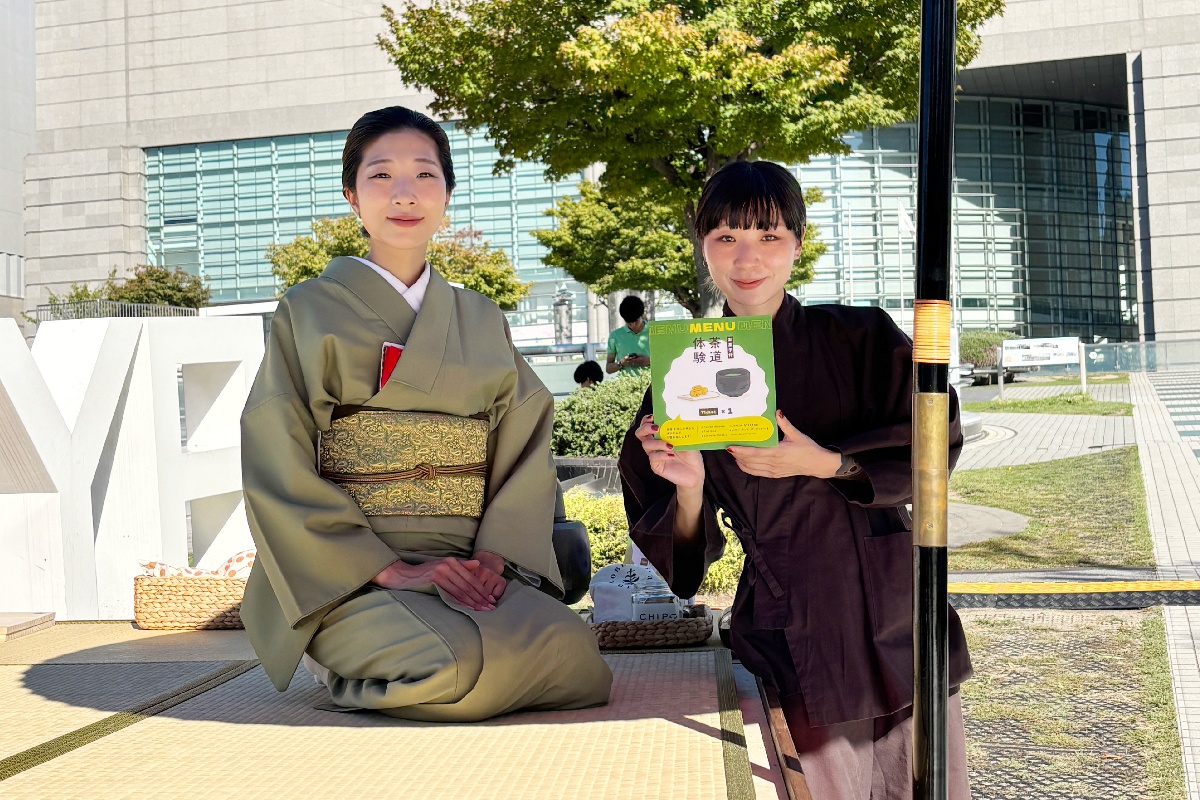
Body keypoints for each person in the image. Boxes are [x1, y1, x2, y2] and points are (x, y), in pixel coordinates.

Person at [239, 106, 612, 721]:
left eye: (426, 175)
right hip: (352, 575)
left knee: (576, 657)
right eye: (381, 176)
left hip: (468, 566)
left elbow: (523, 444)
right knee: (453, 660)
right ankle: (334, 660)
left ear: (446, 195)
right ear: (352, 197)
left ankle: (407, 654)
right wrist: (388, 571)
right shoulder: (306, 311)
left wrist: (493, 557)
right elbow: (275, 451)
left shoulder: (481, 317)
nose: (405, 194)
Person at [618, 160, 971, 799]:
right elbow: (684, 562)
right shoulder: (686, 374)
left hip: (898, 609)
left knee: (923, 785)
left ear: (797, 246)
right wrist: (692, 484)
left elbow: (935, 441)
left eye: (768, 236)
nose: (746, 258)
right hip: (795, 629)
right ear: (703, 247)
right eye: (726, 237)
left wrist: (825, 462)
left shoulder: (862, 338)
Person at [605, 295, 651, 375]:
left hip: (652, 384)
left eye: (635, 321)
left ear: (642, 314)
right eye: (629, 322)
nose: (632, 325)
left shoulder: (654, 332)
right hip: (626, 385)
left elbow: (668, 360)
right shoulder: (615, 336)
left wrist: (648, 361)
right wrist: (621, 363)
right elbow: (608, 368)